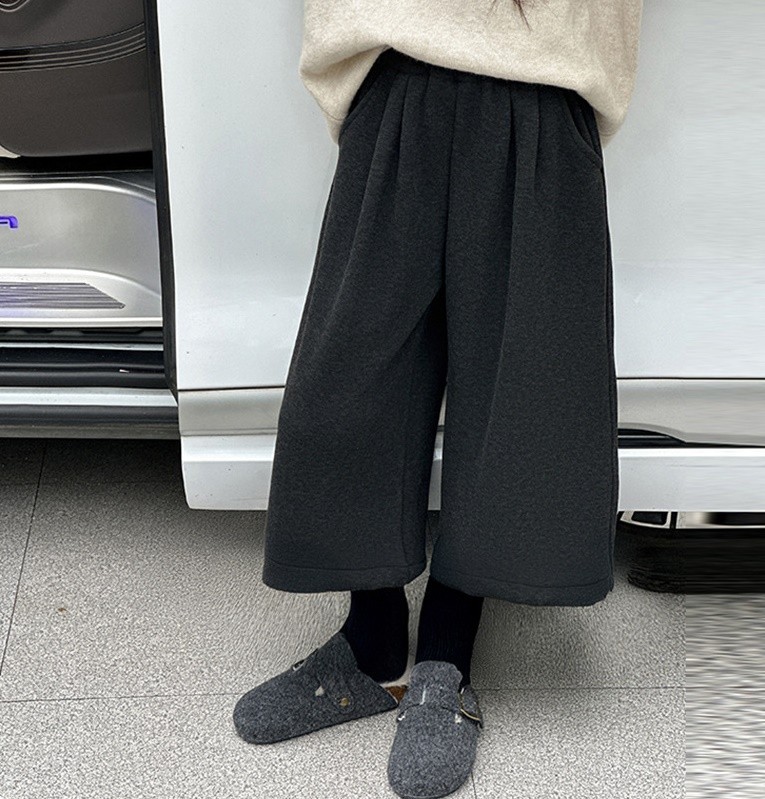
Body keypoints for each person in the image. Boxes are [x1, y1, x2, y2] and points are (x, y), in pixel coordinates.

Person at [234, 1, 643, 797]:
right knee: (350, 380)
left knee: (519, 393)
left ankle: (446, 657)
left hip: (543, 77)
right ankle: (371, 646)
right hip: (393, 69)